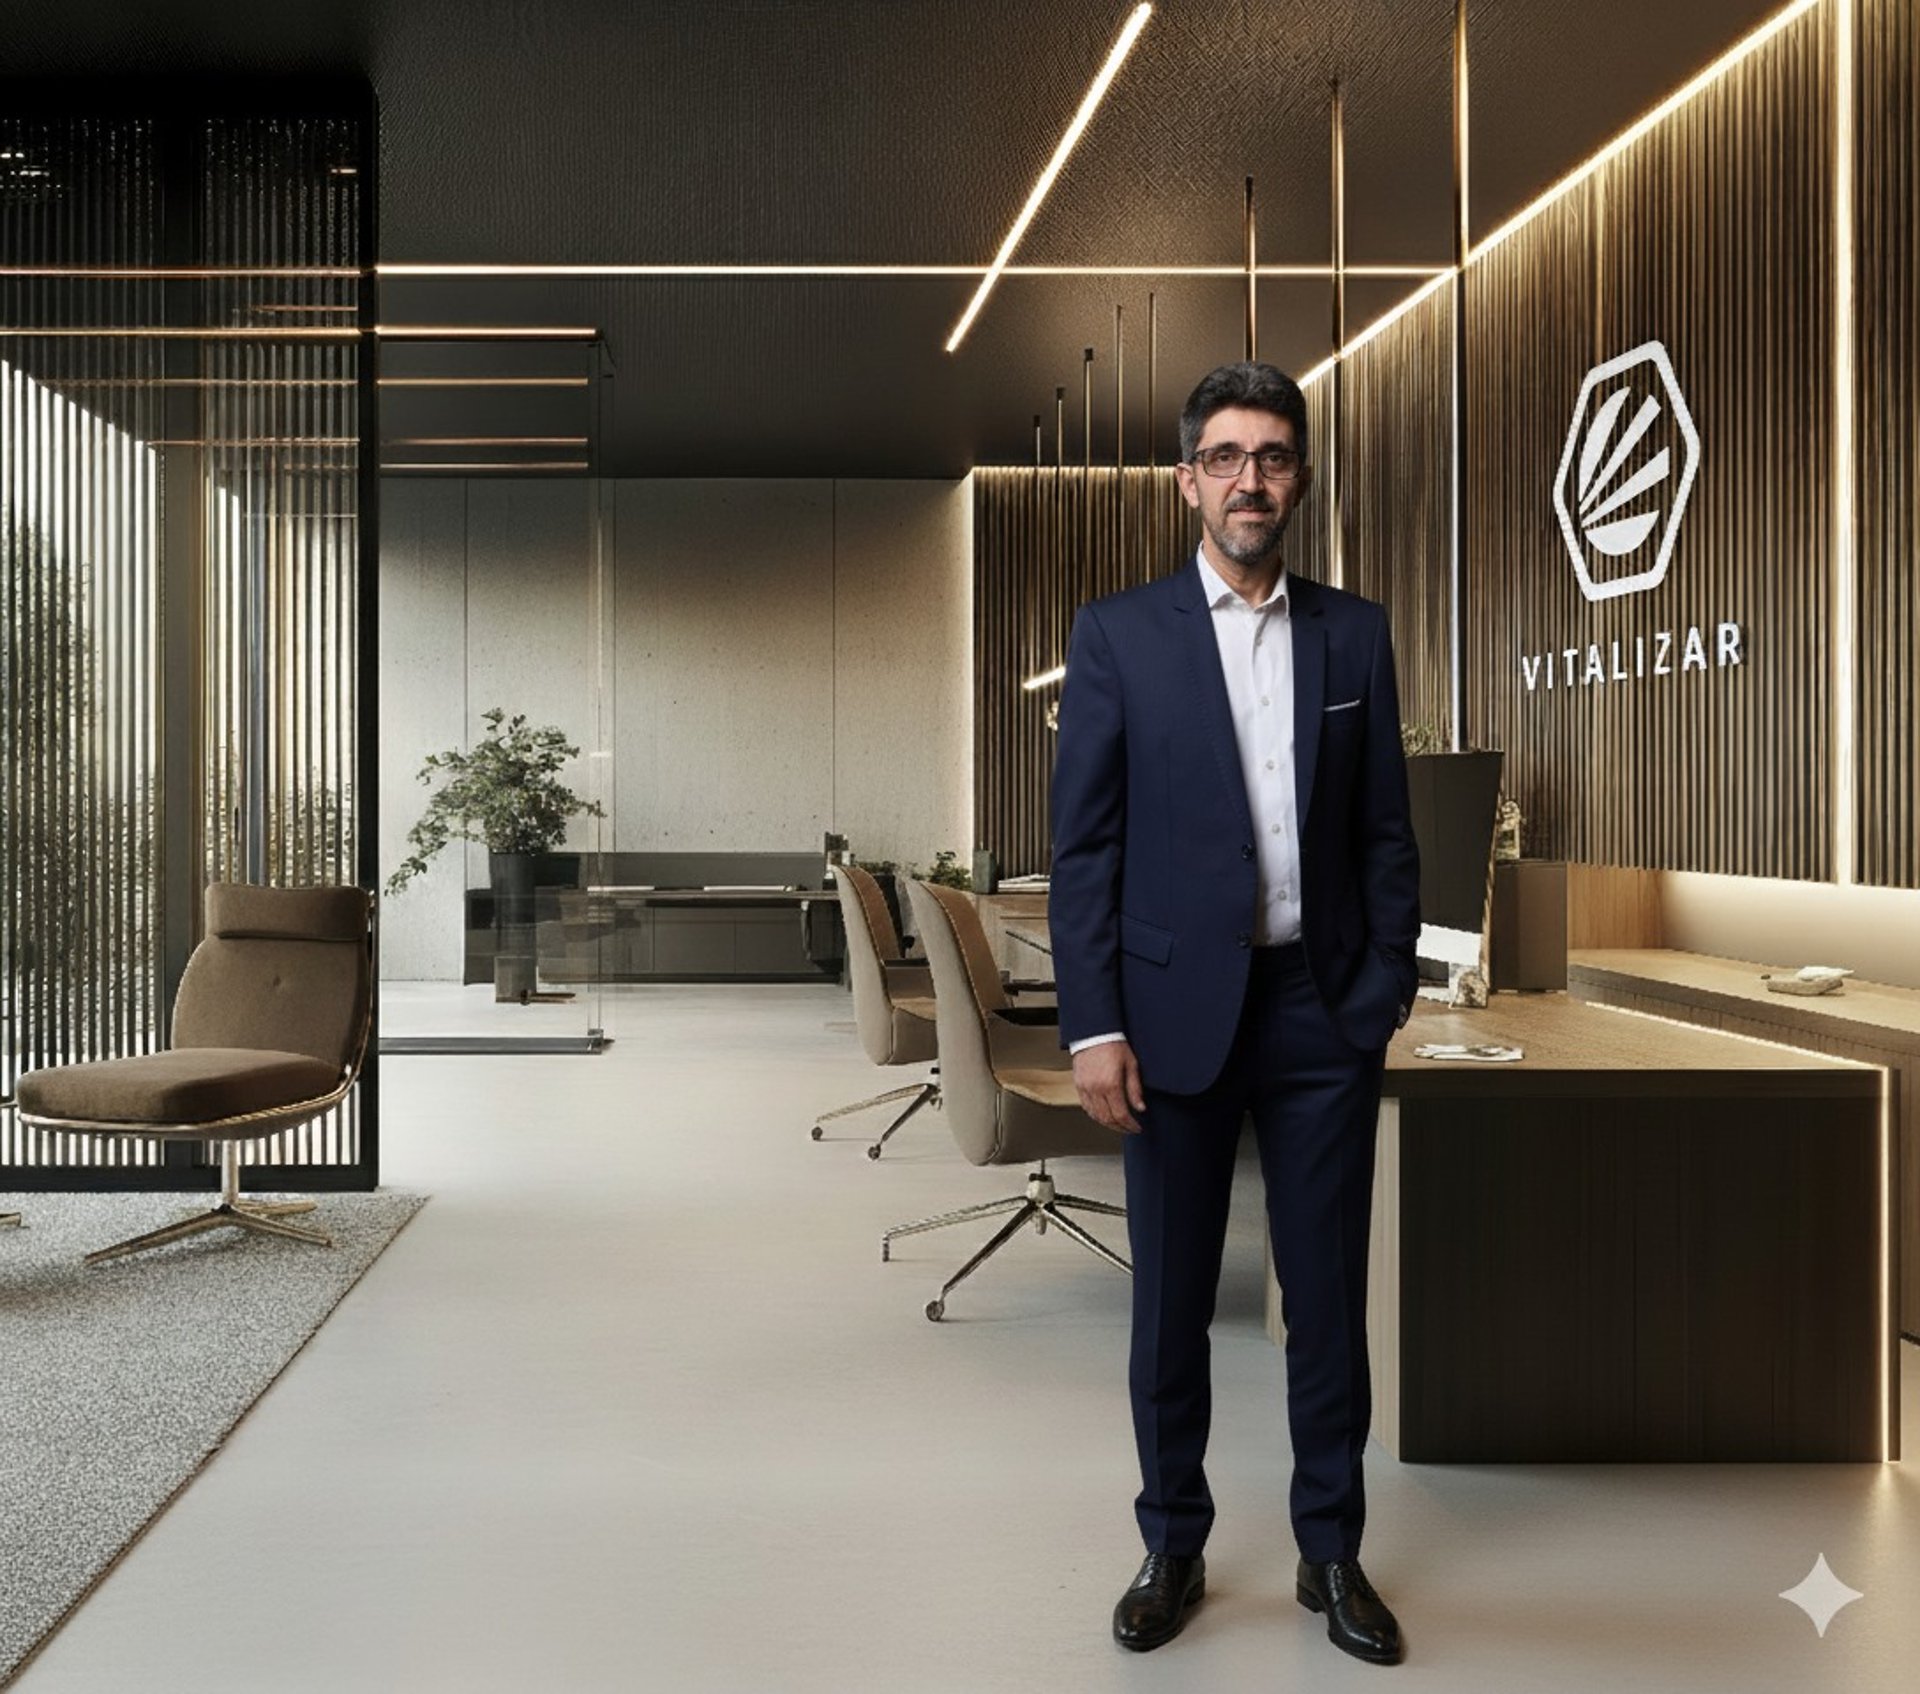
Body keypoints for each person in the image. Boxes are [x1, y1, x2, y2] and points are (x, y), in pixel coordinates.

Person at [1048, 360, 1420, 1665]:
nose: (1250, 476)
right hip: (1167, 1016)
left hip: (1322, 1011)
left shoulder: (1355, 635)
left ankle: (1332, 1549)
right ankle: (1173, 1540)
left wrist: (1378, 998)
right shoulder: (1118, 636)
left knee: (1326, 1297)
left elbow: (1386, 836)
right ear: (1189, 476)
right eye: (1226, 454)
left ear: (1299, 474)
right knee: (1174, 1301)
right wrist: (1093, 1022)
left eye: (1273, 453)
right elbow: (1083, 848)